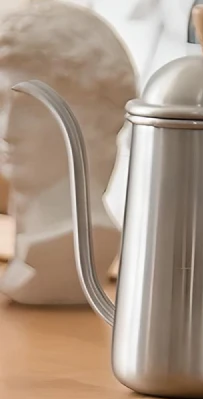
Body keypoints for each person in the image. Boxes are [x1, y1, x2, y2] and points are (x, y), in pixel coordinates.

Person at [0, 1, 136, 304]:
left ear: (96, 119)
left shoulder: (81, 239)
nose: (7, 132)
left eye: (31, 109)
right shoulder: (23, 226)